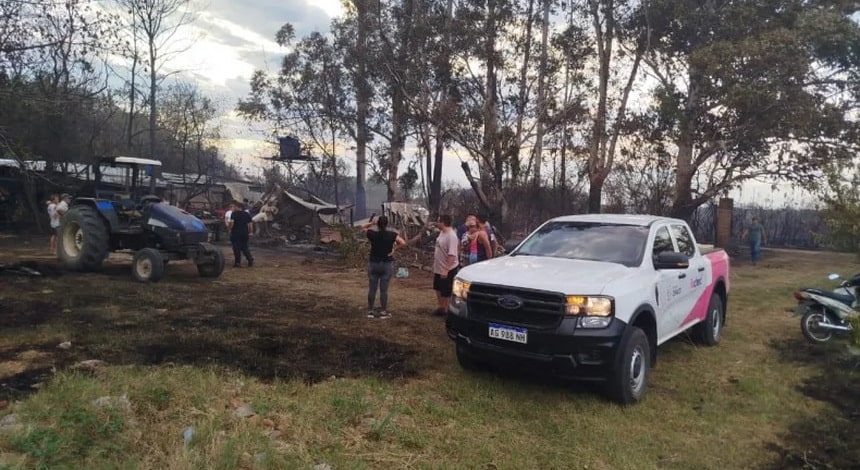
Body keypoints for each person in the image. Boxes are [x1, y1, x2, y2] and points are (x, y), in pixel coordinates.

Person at [362, 215, 406, 318]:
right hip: (386, 264)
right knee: (383, 290)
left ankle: (370, 311)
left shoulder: (372, 234)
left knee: (372, 289)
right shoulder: (392, 235)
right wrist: (394, 249)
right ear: (387, 224)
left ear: (378, 224)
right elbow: (403, 242)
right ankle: (383, 311)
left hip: (373, 264)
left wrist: (372, 223)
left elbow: (363, 227)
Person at [433, 214, 460, 316]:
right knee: (438, 288)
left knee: (446, 291)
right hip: (438, 267)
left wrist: (446, 269)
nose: (437, 223)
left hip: (448, 268)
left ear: (443, 222)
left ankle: (448, 311)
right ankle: (441, 308)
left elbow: (452, 255)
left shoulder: (451, 236)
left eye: (438, 221)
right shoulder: (442, 233)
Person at [227, 201, 254, 267]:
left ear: (237, 207)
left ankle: (237, 262)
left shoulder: (234, 214)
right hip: (244, 233)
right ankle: (250, 259)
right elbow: (250, 225)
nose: (233, 208)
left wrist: (229, 229)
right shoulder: (247, 214)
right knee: (244, 247)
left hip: (236, 233)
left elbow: (232, 223)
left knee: (236, 248)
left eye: (233, 206)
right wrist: (250, 232)